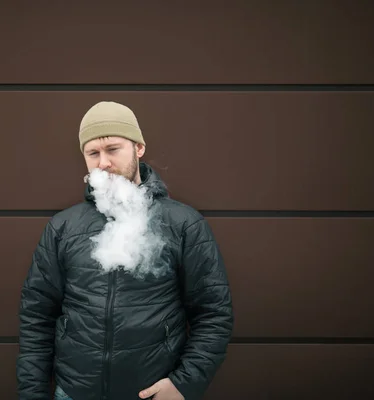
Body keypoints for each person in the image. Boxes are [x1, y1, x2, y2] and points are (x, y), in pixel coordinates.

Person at [16, 101, 234, 400]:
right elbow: (36, 317)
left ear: (139, 148)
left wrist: (184, 384)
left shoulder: (183, 223)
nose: (103, 162)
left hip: (151, 393)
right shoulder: (63, 227)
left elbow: (213, 314)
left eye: (113, 149)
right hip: (74, 392)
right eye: (92, 153)